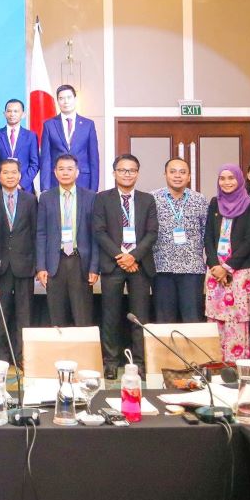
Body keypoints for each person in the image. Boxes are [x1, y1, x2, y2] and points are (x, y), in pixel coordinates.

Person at [93, 154, 157, 379]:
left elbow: (152, 233)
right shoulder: (102, 198)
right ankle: (110, 362)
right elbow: (99, 231)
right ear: (114, 173)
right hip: (113, 264)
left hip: (139, 265)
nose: (127, 174)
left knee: (140, 317)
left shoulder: (147, 200)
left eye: (131, 170)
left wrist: (134, 256)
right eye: (122, 170)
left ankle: (139, 363)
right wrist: (121, 256)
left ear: (137, 173)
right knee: (110, 316)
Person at [204, 165, 250, 362]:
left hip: (240, 271)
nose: (226, 182)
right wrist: (214, 265)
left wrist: (227, 267)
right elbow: (208, 236)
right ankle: (215, 362)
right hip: (215, 270)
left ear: (239, 180)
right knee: (215, 317)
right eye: (222, 178)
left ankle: (236, 363)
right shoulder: (215, 202)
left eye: (231, 178)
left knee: (237, 319)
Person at [35, 154, 99, 327]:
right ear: (55, 172)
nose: (65, 173)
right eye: (61, 169)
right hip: (55, 263)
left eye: (70, 169)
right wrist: (41, 266)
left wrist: (94, 267)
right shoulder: (46, 198)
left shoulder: (90, 197)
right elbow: (41, 233)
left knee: (82, 316)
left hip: (81, 262)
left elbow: (95, 235)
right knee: (57, 317)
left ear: (77, 172)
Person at [0, 158, 37, 366]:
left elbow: (36, 233)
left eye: (14, 172)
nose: (10, 176)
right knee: (0, 313)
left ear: (20, 175)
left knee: (24, 314)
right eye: (6, 173)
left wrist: (37, 264)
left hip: (24, 264)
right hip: (0, 266)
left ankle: (21, 356)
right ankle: (1, 356)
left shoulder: (30, 200)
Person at [151, 158, 208, 323]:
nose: (177, 176)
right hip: (161, 268)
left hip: (192, 269)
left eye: (182, 172)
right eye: (173, 171)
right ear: (165, 174)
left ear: (189, 176)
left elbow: (206, 232)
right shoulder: (152, 198)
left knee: (192, 320)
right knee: (164, 321)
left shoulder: (200, 199)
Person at [39, 85, 100, 191]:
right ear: (57, 101)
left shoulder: (88, 124)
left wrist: (94, 188)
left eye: (69, 97)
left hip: (83, 180)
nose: (65, 101)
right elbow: (45, 159)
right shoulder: (49, 125)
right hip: (56, 181)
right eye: (61, 98)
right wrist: (45, 187)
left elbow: (93, 158)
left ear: (75, 99)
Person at [0, 99, 40, 191]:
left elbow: (35, 164)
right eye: (9, 111)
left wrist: (21, 184)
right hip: (0, 188)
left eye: (16, 111)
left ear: (23, 114)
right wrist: (2, 180)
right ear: (4, 114)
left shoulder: (31, 136)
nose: (12, 114)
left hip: (24, 189)